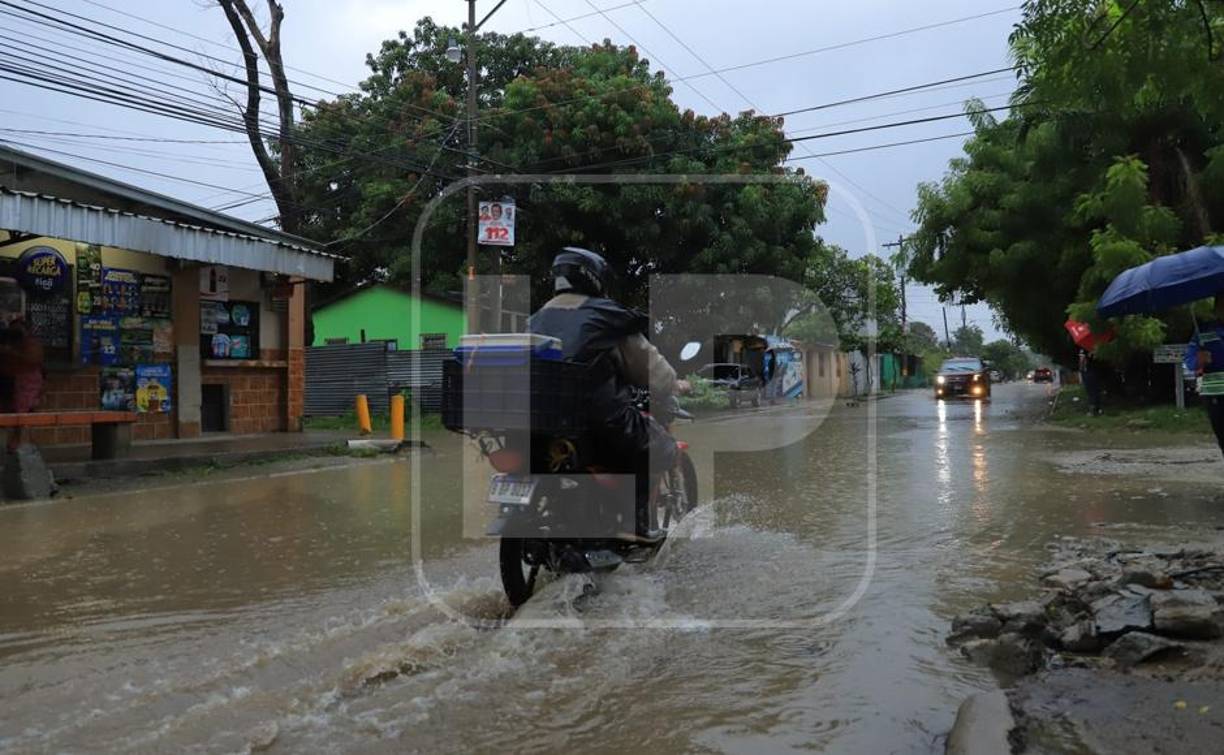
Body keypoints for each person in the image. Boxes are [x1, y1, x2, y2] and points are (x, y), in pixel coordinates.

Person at [528, 247, 688, 542]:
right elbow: (650, 367)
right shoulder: (606, 318)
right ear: (594, 277)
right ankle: (635, 525)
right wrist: (674, 384)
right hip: (600, 420)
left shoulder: (536, 319)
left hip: (540, 423)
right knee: (661, 448)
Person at [1185, 294, 1224, 458]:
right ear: (1216, 308)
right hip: (1215, 394)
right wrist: (1198, 360)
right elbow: (1189, 360)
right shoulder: (1204, 331)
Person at [0, 318, 45, 452]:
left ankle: (17, 443)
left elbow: (33, 359)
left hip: (24, 385)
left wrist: (9, 352)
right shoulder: (8, 341)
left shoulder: (31, 344)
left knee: (21, 416)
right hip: (8, 382)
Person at [1079, 347, 1103, 416]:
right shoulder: (1096, 348)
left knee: (1091, 392)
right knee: (1096, 391)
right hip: (1095, 373)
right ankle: (1098, 409)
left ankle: (1093, 411)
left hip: (1089, 374)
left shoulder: (1083, 350)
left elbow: (1082, 363)